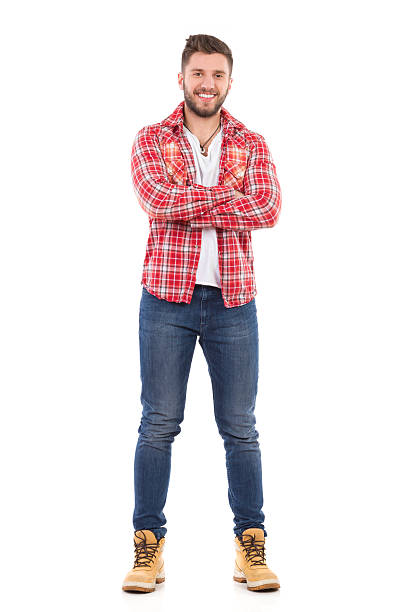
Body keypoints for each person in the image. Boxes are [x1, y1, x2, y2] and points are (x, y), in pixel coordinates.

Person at [122, 33, 282, 593]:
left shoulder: (252, 143)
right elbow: (155, 198)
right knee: (158, 424)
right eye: (198, 74)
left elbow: (267, 208)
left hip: (234, 302)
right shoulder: (151, 138)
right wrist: (223, 201)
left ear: (229, 81)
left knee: (241, 428)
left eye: (217, 75)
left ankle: (251, 545)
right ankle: (148, 549)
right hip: (165, 299)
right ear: (182, 78)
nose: (207, 84)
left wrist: (190, 198)